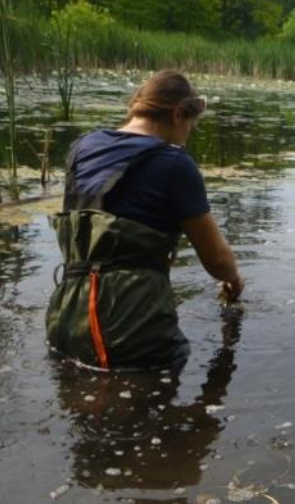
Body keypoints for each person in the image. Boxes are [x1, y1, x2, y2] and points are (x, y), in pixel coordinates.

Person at [45, 70, 244, 371]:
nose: (189, 134)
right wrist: (233, 280)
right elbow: (216, 259)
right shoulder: (174, 163)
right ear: (178, 114)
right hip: (131, 332)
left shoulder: (82, 148)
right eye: (191, 124)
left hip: (67, 321)